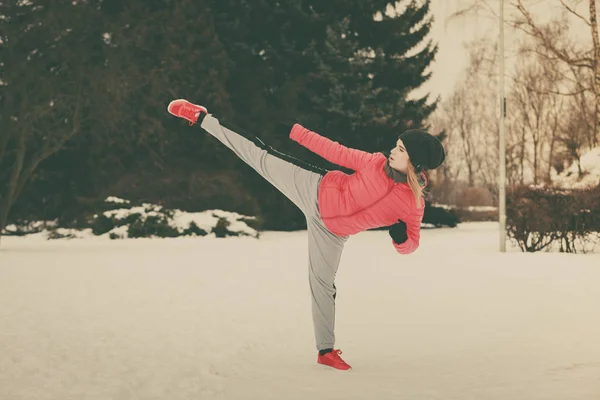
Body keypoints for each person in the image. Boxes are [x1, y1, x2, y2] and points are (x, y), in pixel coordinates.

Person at [167, 99, 446, 371]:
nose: (391, 151)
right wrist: (295, 131)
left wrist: (400, 239)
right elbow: (336, 151)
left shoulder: (412, 204)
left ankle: (325, 351)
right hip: (314, 189)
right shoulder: (374, 163)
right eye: (395, 145)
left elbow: (412, 244)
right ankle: (202, 118)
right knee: (259, 155)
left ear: (414, 161)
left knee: (322, 284)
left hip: (333, 233)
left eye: (400, 149)